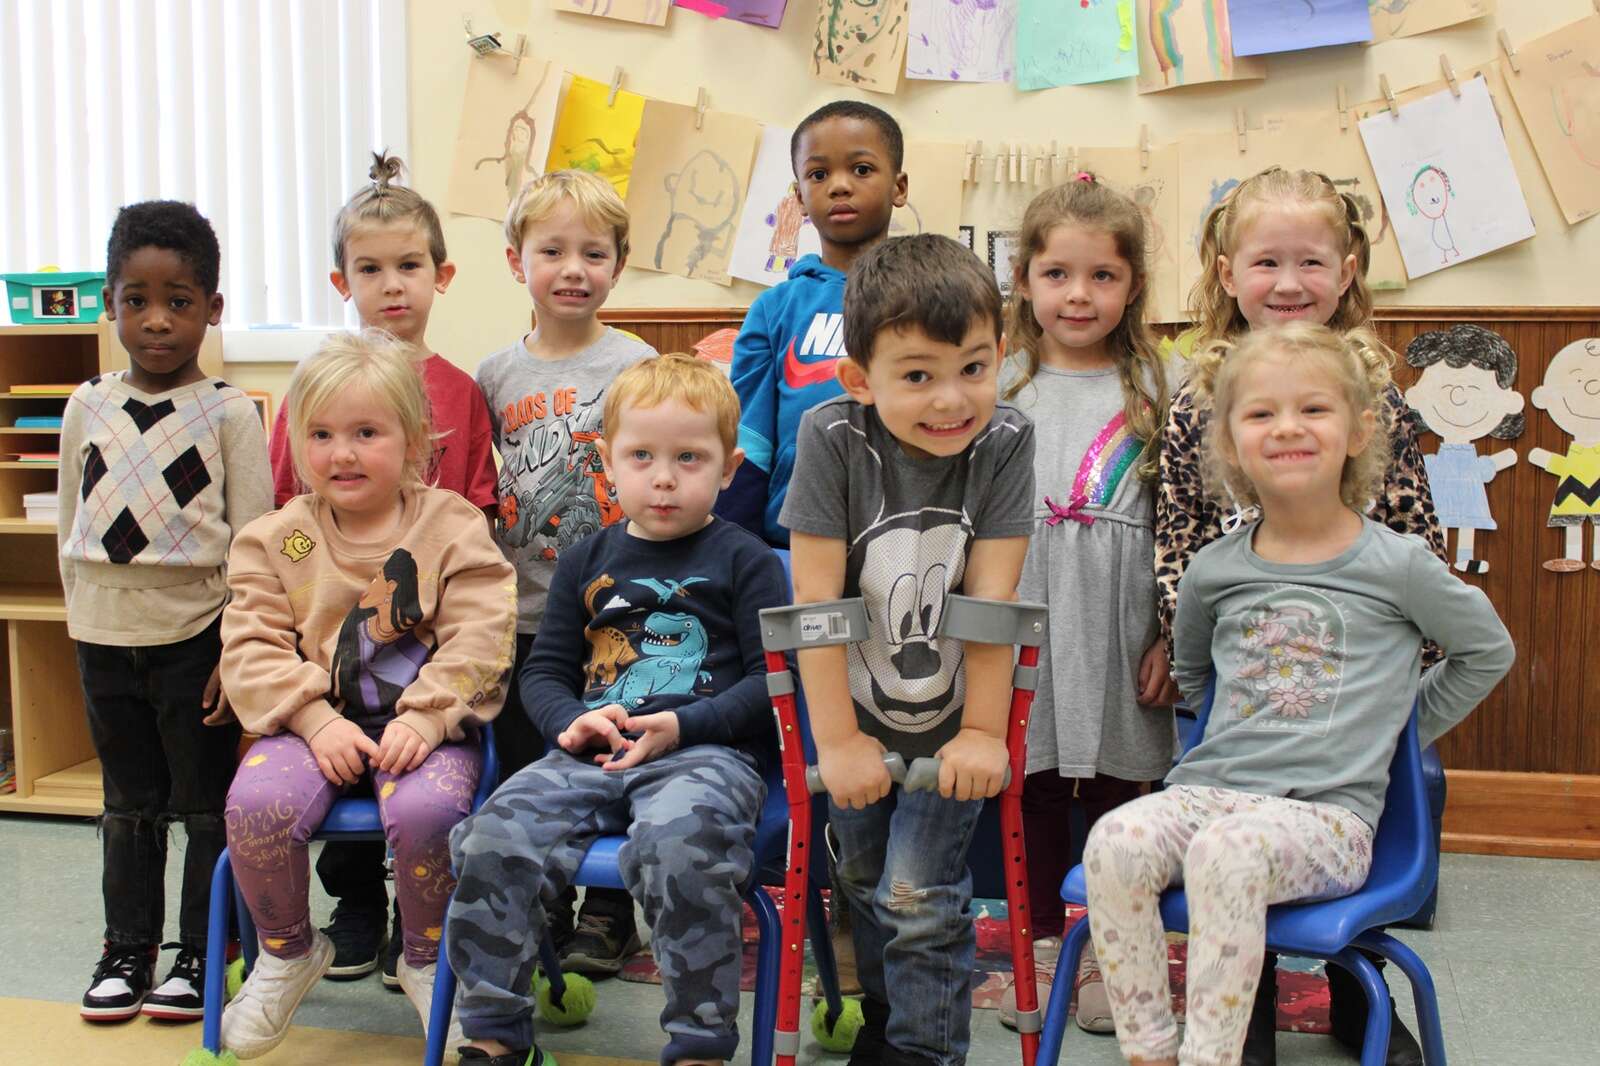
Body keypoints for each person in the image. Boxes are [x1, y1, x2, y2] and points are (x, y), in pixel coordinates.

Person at [1085, 322, 1513, 1066]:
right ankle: (1150, 1051)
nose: (1287, 427)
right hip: (1212, 793)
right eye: (1260, 414)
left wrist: (1398, 733)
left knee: (1228, 851)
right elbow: (1195, 678)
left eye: (1313, 409)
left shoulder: (1399, 564)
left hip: (1327, 820)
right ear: (1229, 443)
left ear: (1358, 430)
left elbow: (1488, 651)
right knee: (1114, 840)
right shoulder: (1213, 571)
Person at [1154, 166, 1447, 1066]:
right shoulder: (1196, 401)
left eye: (1311, 261)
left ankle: (1360, 997)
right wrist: (1185, 646)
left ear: (1348, 269)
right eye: (1266, 261)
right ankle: (1236, 1025)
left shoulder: (1375, 398)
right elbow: (1178, 546)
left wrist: (1400, 690)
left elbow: (1415, 542)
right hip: (1241, 695)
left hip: (1348, 698)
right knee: (1229, 855)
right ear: (1227, 270)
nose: (1289, 283)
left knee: (1335, 835)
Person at [446, 353, 789, 1066]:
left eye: (689, 458)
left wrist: (686, 725)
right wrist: (568, 720)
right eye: (642, 456)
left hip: (703, 755)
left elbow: (773, 685)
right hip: (589, 752)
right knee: (490, 838)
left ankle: (698, 1045)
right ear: (608, 461)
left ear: (729, 468)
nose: (664, 477)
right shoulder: (584, 559)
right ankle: (495, 1037)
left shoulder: (746, 559)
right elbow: (542, 670)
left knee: (681, 847)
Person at [218, 331, 516, 1058]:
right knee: (253, 805)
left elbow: (484, 634)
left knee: (428, 811)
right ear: (295, 441)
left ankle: (424, 958)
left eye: (365, 433)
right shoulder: (274, 539)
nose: (341, 453)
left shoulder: (451, 524)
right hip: (308, 726)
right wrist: (314, 719)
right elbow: (250, 647)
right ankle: (288, 952)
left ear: (414, 440)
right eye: (320, 434)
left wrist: (429, 711)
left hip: (427, 728)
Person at [784, 234, 1036, 1066]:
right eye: (918, 376)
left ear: (1001, 355)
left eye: (973, 368)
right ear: (860, 380)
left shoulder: (1004, 440)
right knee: (862, 881)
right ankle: (890, 1026)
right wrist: (840, 741)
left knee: (918, 892)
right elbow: (816, 605)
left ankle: (922, 1052)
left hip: (957, 712)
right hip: (851, 709)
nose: (951, 400)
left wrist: (981, 733)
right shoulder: (831, 437)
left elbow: (989, 605)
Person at [265, 151, 500, 987]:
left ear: (442, 274)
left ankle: (420, 922)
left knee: (421, 780)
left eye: (408, 266)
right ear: (343, 281)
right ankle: (356, 905)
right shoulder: (313, 388)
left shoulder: (462, 391)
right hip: (331, 639)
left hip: (431, 636)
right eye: (371, 269)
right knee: (327, 765)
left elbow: (476, 509)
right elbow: (285, 515)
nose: (391, 285)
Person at [60, 200, 272, 1023]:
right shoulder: (87, 403)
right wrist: (84, 620)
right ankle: (127, 948)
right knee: (127, 802)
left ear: (211, 309)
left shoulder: (228, 413)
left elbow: (256, 541)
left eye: (179, 301)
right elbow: (73, 534)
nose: (156, 321)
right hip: (103, 638)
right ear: (110, 302)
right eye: (136, 300)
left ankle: (201, 949)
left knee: (201, 804)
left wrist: (235, 647)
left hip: (196, 640)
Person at [994, 175, 1179, 1034]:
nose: (1079, 295)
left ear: (1133, 284)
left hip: (1121, 611)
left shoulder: (1159, 381)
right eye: (1058, 274)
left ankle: (1113, 954)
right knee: (1027, 781)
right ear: (1024, 278)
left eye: (1102, 276)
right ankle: (1036, 958)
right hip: (1024, 600)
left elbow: (1189, 523)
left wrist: (1173, 634)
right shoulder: (1000, 379)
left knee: (1114, 784)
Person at [475, 168, 657, 970]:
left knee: (617, 760)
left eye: (594, 252)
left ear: (619, 264)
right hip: (527, 613)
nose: (574, 269)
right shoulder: (495, 376)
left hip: (622, 613)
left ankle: (609, 915)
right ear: (518, 261)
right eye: (553, 250)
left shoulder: (638, 362)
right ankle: (543, 907)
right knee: (534, 764)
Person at [718, 100, 909, 547]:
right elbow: (751, 436)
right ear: (800, 197)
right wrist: (739, 555)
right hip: (795, 539)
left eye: (861, 169)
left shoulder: (929, 296)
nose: (840, 186)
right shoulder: (775, 308)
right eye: (819, 174)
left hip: (910, 534)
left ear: (898, 187)